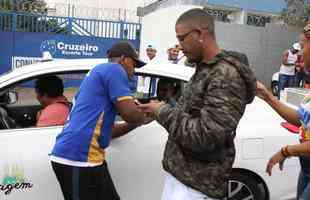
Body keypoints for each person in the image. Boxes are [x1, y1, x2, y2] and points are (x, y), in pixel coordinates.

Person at [139, 8, 256, 199]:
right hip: (183, 179)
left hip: (196, 187)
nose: (179, 46)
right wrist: (157, 111)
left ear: (200, 34)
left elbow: (205, 136)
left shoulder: (226, 76)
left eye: (182, 38)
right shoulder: (206, 70)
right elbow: (192, 116)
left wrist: (162, 111)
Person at [50, 41, 151, 200]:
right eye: (134, 63)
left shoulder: (101, 72)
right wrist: (155, 110)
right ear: (123, 59)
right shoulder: (114, 70)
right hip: (78, 159)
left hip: (86, 158)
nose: (134, 70)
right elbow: (130, 114)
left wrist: (138, 121)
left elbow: (108, 131)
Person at [256, 23, 310, 200]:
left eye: (302, 47)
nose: (299, 54)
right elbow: (301, 119)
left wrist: (286, 151)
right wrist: (269, 97)